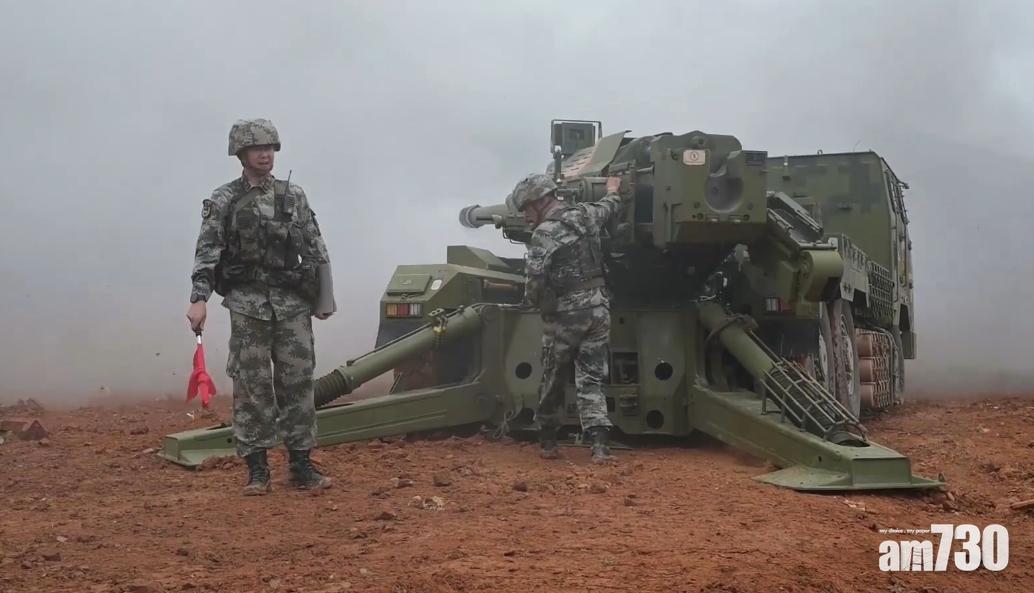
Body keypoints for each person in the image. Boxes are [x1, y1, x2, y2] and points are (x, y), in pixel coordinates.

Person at [186, 118, 337, 495]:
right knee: (252, 387)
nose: (265, 154)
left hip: (292, 305)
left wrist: (324, 298)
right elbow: (208, 252)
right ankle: (257, 470)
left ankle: (301, 465)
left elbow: (315, 248)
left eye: (270, 148)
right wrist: (198, 300)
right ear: (241, 154)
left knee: (298, 382)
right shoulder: (223, 200)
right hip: (248, 304)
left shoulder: (293, 196)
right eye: (257, 149)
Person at [507, 173, 628, 463]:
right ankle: (599, 447)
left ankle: (548, 441)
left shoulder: (544, 234)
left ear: (540, 202)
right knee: (592, 377)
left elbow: (535, 283)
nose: (525, 218)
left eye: (526, 210)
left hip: (565, 314)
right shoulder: (585, 214)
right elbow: (610, 205)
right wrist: (613, 188)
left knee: (554, 376)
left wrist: (538, 305)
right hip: (599, 309)